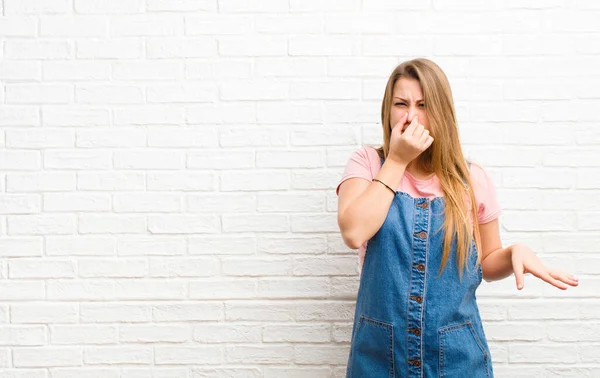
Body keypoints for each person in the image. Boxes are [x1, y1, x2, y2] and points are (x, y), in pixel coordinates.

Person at [335, 58, 579, 378]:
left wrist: (512, 253)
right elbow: (353, 231)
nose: (411, 115)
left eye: (423, 105)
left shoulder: (471, 178)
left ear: (441, 111)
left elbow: (488, 262)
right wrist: (396, 159)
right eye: (401, 103)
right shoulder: (368, 163)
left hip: (457, 360)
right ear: (388, 109)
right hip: (380, 357)